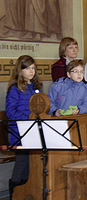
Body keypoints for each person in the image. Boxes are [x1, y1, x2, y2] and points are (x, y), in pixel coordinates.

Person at [5, 55, 42, 198]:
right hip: (19, 134)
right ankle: (14, 194)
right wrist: (29, 117)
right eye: (27, 68)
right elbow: (10, 112)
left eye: (33, 68)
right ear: (20, 70)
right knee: (21, 165)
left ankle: (26, 193)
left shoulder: (36, 87)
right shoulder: (15, 89)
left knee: (30, 166)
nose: (31, 71)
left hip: (34, 133)